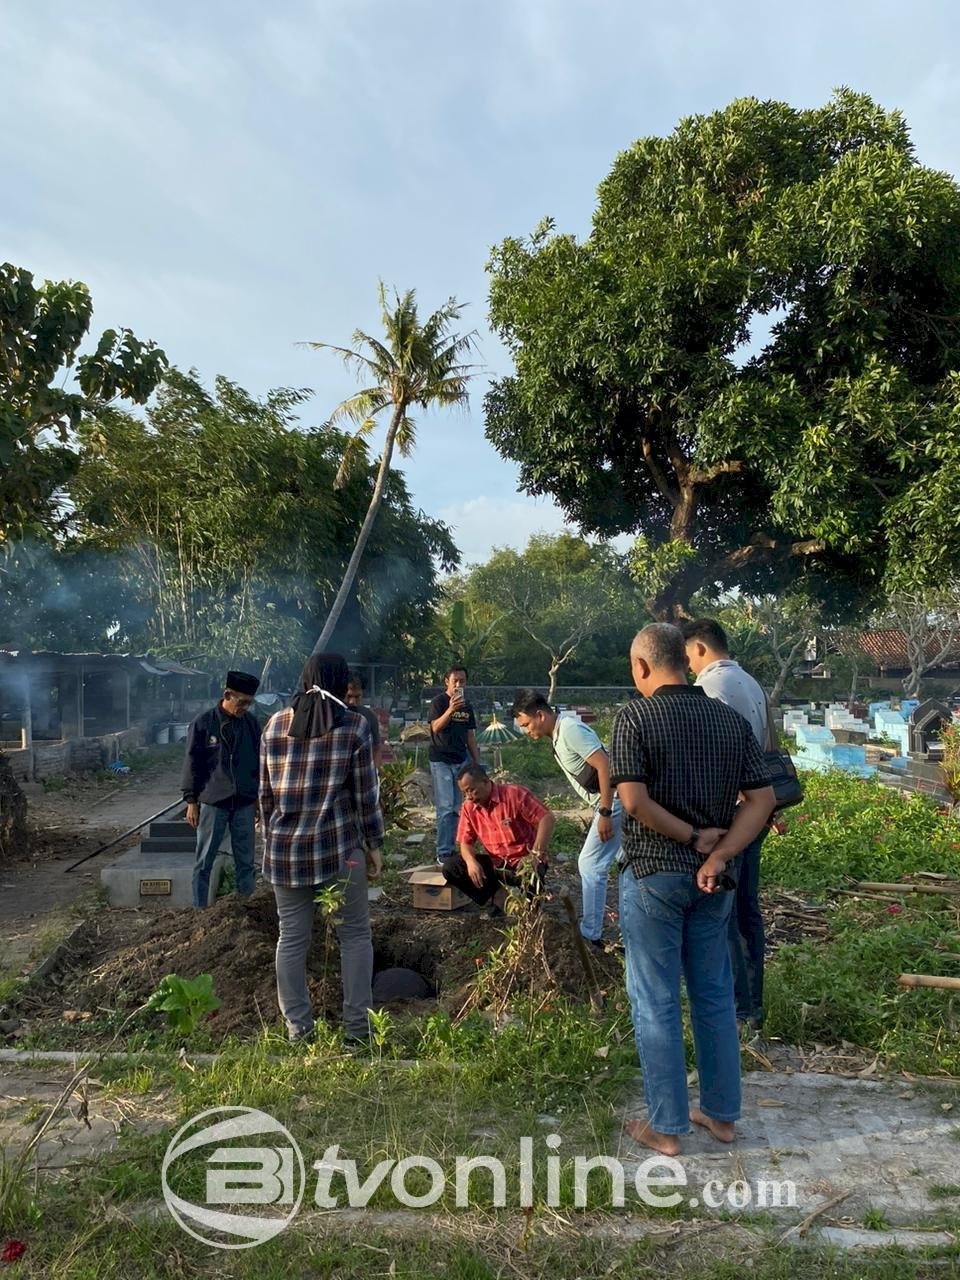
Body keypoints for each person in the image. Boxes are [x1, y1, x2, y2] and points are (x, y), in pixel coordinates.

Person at [610, 624, 774, 1156]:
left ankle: (667, 1127)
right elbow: (763, 799)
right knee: (713, 995)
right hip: (715, 881)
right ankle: (722, 1116)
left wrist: (690, 836)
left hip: (655, 875)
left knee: (655, 999)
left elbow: (632, 801)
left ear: (641, 667)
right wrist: (720, 851)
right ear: (685, 660)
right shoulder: (727, 719)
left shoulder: (635, 716)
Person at [260, 652, 384, 1043]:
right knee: (354, 936)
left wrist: (272, 839)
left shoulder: (274, 725)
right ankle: (357, 1032)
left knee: (292, 938)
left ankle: (298, 1029)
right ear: (339, 682)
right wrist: (374, 843)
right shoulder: (354, 726)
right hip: (339, 850)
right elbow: (366, 795)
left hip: (284, 854)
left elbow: (264, 798)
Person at [682, 618, 770, 1032]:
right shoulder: (751, 684)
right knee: (747, 908)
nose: (687, 664)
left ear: (699, 648)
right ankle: (752, 1003)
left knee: (726, 912)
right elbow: (768, 749)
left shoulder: (708, 689)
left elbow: (706, 759)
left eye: (686, 655)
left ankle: (739, 1008)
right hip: (755, 808)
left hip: (728, 813)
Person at [511, 689, 621, 948]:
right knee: (626, 863)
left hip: (614, 802)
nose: (527, 731)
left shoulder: (570, 730)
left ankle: (590, 934)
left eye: (526, 724)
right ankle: (630, 930)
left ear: (540, 714)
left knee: (589, 864)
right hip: (607, 803)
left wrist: (605, 811)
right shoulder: (558, 735)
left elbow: (605, 765)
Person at [181, 670, 262, 909]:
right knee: (205, 860)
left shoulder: (251, 724)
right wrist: (191, 801)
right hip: (213, 801)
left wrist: (257, 798)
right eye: (242, 702)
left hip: (244, 802)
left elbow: (258, 762)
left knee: (246, 861)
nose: (245, 707)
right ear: (227, 694)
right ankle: (199, 911)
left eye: (250, 703)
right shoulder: (204, 724)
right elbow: (191, 763)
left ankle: (245, 910)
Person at [442, 763, 555, 915]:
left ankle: (532, 906)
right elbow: (465, 842)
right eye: (465, 793)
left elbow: (546, 818)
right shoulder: (469, 808)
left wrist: (534, 855)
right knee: (452, 866)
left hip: (525, 862)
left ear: (485, 781)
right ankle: (499, 897)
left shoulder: (514, 794)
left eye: (471, 790)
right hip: (497, 865)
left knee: (531, 909)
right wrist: (471, 862)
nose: (469, 796)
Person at [427, 665, 481, 863]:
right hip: (441, 760)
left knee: (461, 807)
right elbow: (435, 727)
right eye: (455, 681)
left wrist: (477, 763)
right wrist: (451, 709)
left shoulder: (467, 706)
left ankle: (459, 849)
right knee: (445, 807)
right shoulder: (438, 702)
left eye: (462, 681)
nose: (459, 684)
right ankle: (443, 852)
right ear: (446, 682)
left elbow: (470, 736)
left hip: (461, 760)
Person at [346, 670, 384, 767]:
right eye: (349, 696)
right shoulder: (333, 716)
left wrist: (375, 773)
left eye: (357, 697)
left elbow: (376, 748)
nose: (352, 702)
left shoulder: (369, 716)